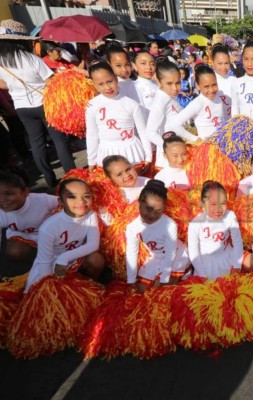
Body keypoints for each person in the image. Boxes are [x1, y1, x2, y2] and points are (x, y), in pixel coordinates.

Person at [0, 19, 76, 188]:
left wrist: (15, 87)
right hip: (44, 103)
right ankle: (72, 177)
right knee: (59, 140)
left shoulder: (1, 61)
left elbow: (1, 84)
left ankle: (50, 180)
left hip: (22, 108)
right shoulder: (31, 58)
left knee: (36, 144)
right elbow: (50, 81)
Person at [24, 178, 105, 292]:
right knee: (47, 292)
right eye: (72, 197)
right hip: (51, 262)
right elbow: (44, 260)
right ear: (61, 201)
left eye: (86, 196)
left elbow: (93, 244)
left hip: (72, 257)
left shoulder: (91, 215)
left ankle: (91, 288)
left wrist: (63, 259)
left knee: (96, 260)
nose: (81, 201)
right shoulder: (48, 227)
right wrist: (47, 283)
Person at [125, 180, 190, 292]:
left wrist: (164, 279)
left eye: (158, 210)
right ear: (138, 204)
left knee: (159, 290)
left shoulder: (169, 225)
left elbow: (171, 253)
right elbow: (131, 253)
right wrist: (131, 280)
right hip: (155, 258)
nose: (152, 215)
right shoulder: (132, 227)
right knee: (141, 291)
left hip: (176, 257)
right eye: (149, 209)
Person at [85, 61, 150, 171]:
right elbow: (92, 135)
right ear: (94, 84)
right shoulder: (92, 106)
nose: (107, 87)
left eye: (109, 81)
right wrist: (91, 161)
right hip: (106, 153)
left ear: (115, 78)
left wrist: (148, 157)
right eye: (101, 84)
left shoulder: (131, 104)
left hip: (132, 152)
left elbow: (143, 132)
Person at [146, 60, 200, 168]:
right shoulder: (160, 102)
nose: (175, 88)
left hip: (179, 153)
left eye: (178, 83)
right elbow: (150, 133)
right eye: (169, 83)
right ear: (159, 82)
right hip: (169, 160)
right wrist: (169, 148)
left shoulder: (170, 97)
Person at [188, 180, 244, 280]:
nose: (219, 208)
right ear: (203, 204)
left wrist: (237, 266)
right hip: (206, 263)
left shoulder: (230, 216)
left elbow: (238, 242)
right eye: (213, 204)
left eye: (223, 203)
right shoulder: (195, 224)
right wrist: (202, 274)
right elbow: (193, 253)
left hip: (227, 256)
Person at [0, 169, 58, 262]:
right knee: (15, 252)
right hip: (23, 235)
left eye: (9, 194)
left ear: (25, 192)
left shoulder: (43, 200)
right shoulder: (1, 213)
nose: (2, 199)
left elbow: (67, 203)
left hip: (51, 232)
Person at [170, 64, 227, 139]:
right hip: (207, 147)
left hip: (223, 142)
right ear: (197, 85)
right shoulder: (197, 103)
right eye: (206, 86)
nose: (212, 90)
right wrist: (194, 139)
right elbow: (175, 125)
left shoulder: (220, 96)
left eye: (214, 85)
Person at [211, 43, 235, 116]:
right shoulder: (209, 82)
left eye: (226, 63)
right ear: (212, 63)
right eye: (220, 63)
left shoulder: (235, 80)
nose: (224, 67)